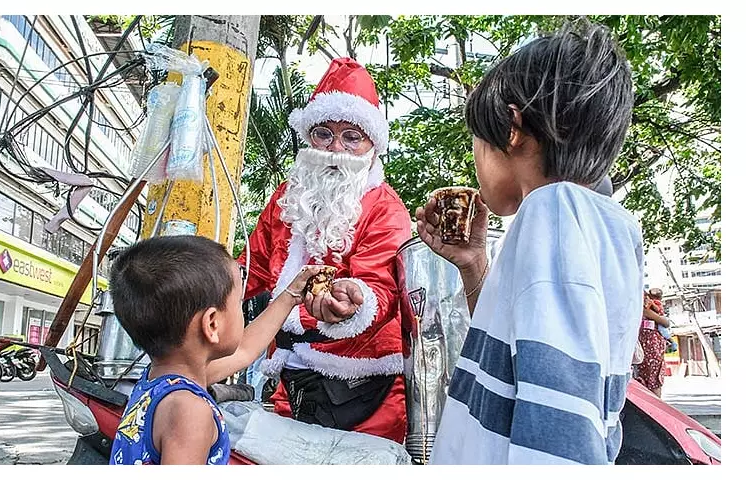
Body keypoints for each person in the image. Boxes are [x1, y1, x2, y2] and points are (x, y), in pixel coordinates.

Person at [417, 22, 644, 464]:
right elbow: (525, 359)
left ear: (511, 127)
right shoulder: (599, 225)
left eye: (477, 144)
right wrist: (473, 265)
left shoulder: (553, 212)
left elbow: (560, 424)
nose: (477, 163)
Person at [239, 57, 412, 444]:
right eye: (323, 133)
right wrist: (205, 284)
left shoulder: (386, 208)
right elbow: (251, 266)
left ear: (372, 146)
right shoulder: (287, 198)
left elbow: (381, 287)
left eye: (351, 137)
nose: (335, 148)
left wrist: (355, 302)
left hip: (367, 384)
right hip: (290, 377)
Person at [107, 235, 325, 465]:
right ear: (212, 324)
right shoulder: (189, 412)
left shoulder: (161, 381)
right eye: (238, 304)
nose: (241, 312)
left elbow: (245, 350)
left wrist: (289, 296)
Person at [637, 290, 672, 397]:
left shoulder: (653, 307)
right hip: (647, 349)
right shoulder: (644, 309)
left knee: (652, 379)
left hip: (651, 348)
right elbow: (665, 323)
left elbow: (665, 323)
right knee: (651, 379)